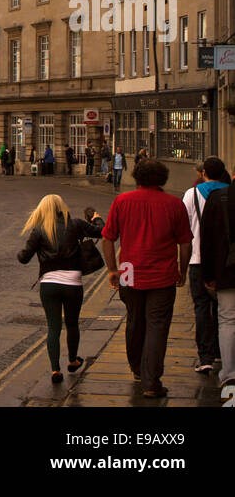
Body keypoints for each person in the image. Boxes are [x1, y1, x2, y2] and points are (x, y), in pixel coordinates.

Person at [101, 158, 192, 398]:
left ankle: (137, 368)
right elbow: (185, 242)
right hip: (163, 273)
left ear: (137, 177)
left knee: (134, 319)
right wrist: (184, 270)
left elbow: (108, 237)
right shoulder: (174, 204)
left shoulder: (122, 201)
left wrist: (112, 269)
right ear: (162, 178)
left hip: (129, 271)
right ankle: (152, 381)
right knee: (157, 325)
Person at [18, 193, 102, 383]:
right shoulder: (76, 224)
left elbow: (24, 258)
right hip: (73, 283)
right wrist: (97, 218)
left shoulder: (39, 230)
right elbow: (101, 231)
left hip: (49, 284)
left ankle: (55, 370)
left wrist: (22, 252)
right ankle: (72, 360)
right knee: (72, 324)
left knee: (53, 327)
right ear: (62, 207)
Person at [182, 156, 231, 374]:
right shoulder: (229, 193)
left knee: (201, 307)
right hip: (225, 261)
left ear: (203, 173)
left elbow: (183, 228)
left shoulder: (191, 194)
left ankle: (205, 356)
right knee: (224, 309)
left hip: (197, 259)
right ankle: (223, 351)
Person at [200, 165, 235, 395]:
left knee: (227, 320)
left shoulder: (218, 197)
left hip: (227, 269)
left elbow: (207, 239)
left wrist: (208, 275)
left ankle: (229, 374)